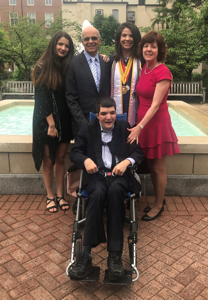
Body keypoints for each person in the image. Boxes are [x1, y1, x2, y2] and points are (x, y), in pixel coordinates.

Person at [69, 97, 145, 280]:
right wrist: (86, 160)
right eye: (104, 113)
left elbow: (138, 152)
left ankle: (115, 256)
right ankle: (85, 256)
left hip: (119, 177)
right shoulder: (87, 129)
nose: (108, 117)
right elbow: (75, 152)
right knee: (96, 195)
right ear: (97, 115)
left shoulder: (124, 127)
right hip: (97, 176)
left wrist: (126, 162)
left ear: (116, 113)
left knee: (115, 192)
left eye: (112, 112)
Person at [128, 30, 180, 221]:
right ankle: (159, 199)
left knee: (157, 167)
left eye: (153, 46)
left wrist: (139, 127)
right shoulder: (144, 68)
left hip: (156, 125)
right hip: (144, 124)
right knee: (150, 164)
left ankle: (159, 204)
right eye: (146, 45)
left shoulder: (162, 71)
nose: (149, 49)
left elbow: (156, 104)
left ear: (159, 50)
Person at [32, 31, 74, 213]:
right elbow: (41, 98)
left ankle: (60, 194)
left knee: (60, 158)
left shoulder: (68, 66)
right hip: (46, 120)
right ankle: (50, 196)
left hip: (65, 119)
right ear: (53, 45)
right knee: (48, 160)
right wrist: (51, 124)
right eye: (60, 44)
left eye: (66, 45)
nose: (63, 48)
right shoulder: (42, 66)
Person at [65, 25, 111, 136]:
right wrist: (83, 123)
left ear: (99, 41)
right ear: (82, 42)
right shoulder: (73, 63)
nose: (90, 41)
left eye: (94, 38)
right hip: (82, 124)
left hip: (105, 123)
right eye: (86, 39)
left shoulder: (106, 63)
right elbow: (70, 97)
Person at [110, 22, 142, 127]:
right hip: (115, 109)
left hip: (136, 110)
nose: (127, 39)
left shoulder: (142, 61)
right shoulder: (112, 60)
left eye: (131, 36)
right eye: (124, 35)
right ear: (119, 38)